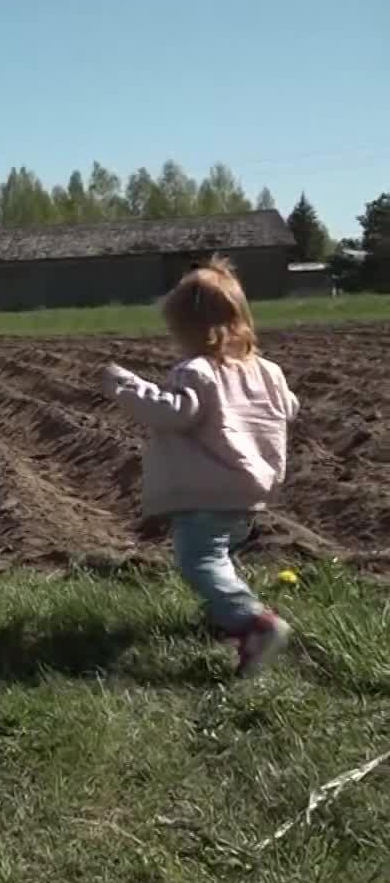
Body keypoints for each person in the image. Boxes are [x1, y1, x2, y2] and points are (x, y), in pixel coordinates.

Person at [100, 257, 299, 677]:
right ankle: (224, 614)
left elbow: (173, 413)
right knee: (220, 553)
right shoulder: (269, 371)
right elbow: (290, 408)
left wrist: (127, 386)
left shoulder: (197, 371)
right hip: (251, 490)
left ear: (194, 330)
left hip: (209, 489)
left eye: (177, 333)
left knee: (198, 561)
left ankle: (254, 623)